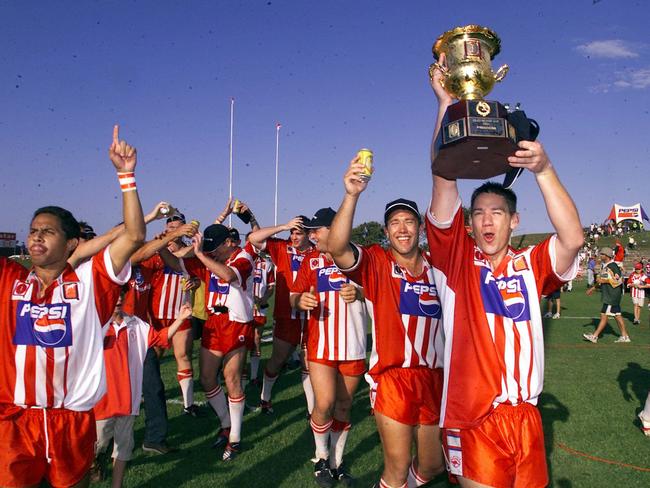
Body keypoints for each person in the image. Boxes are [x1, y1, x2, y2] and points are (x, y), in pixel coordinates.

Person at [427, 58, 583, 488]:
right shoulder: (457, 264)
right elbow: (443, 175)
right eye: (479, 214)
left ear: (513, 222)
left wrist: (544, 170)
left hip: (526, 415)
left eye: (497, 213)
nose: (487, 221)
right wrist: (447, 106)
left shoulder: (529, 264)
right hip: (476, 415)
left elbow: (571, 239)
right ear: (470, 223)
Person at [0, 125, 145, 487]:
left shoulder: (90, 284)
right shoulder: (9, 282)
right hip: (16, 422)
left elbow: (134, 236)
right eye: (33, 229)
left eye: (47, 231)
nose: (36, 235)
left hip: (71, 420)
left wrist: (126, 176)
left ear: (71, 244)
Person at [328, 162, 446, 488]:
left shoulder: (439, 267)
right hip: (393, 379)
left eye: (409, 221)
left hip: (436, 379)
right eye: (395, 223)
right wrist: (351, 195)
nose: (403, 228)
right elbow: (337, 248)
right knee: (397, 467)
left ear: (420, 228)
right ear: (387, 231)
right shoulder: (378, 263)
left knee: (433, 465)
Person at [290, 207, 368, 487]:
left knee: (344, 406)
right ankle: (321, 457)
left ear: (334, 229)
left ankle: (338, 461)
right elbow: (293, 296)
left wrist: (359, 292)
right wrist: (300, 302)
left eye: (316, 230)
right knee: (324, 403)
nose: (312, 235)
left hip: (354, 343)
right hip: (321, 343)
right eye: (310, 231)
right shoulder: (310, 259)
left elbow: (379, 289)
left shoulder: (360, 255)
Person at [91, 296, 191, 487]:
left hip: (129, 400)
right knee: (96, 444)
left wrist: (180, 318)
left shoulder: (136, 324)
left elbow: (160, 337)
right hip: (102, 402)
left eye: (121, 294)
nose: (118, 298)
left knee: (123, 449)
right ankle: (92, 462)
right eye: (114, 294)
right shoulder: (96, 324)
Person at [188, 224, 257, 461]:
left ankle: (235, 439)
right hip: (213, 321)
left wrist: (198, 254)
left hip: (236, 322)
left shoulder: (244, 255)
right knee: (206, 378)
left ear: (229, 242)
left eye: (215, 248)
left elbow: (228, 275)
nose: (212, 252)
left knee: (232, 379)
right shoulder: (210, 256)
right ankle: (226, 424)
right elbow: (174, 259)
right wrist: (176, 239)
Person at [129, 213, 200, 418]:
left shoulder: (190, 252)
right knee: (152, 360)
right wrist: (159, 244)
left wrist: (194, 282)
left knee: (183, 356)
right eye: (170, 228)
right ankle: (140, 394)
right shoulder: (155, 253)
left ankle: (189, 405)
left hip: (181, 313)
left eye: (177, 227)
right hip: (157, 315)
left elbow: (193, 274)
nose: (173, 231)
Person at [249, 217, 315, 415]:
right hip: (287, 316)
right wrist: (283, 226)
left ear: (308, 234)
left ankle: (312, 411)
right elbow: (253, 238)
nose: (294, 237)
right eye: (292, 233)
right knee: (277, 360)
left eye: (299, 233)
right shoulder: (282, 248)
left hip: (311, 317)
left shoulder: (317, 251)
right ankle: (265, 398)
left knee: (308, 364)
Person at [584, 247, 630, 343]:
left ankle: (595, 336)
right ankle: (625, 336)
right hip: (609, 295)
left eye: (602, 254)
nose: (600, 256)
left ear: (607, 256)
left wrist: (604, 280)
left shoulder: (613, 266)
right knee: (617, 315)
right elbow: (601, 280)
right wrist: (593, 288)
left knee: (603, 315)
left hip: (612, 296)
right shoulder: (604, 266)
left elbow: (619, 280)